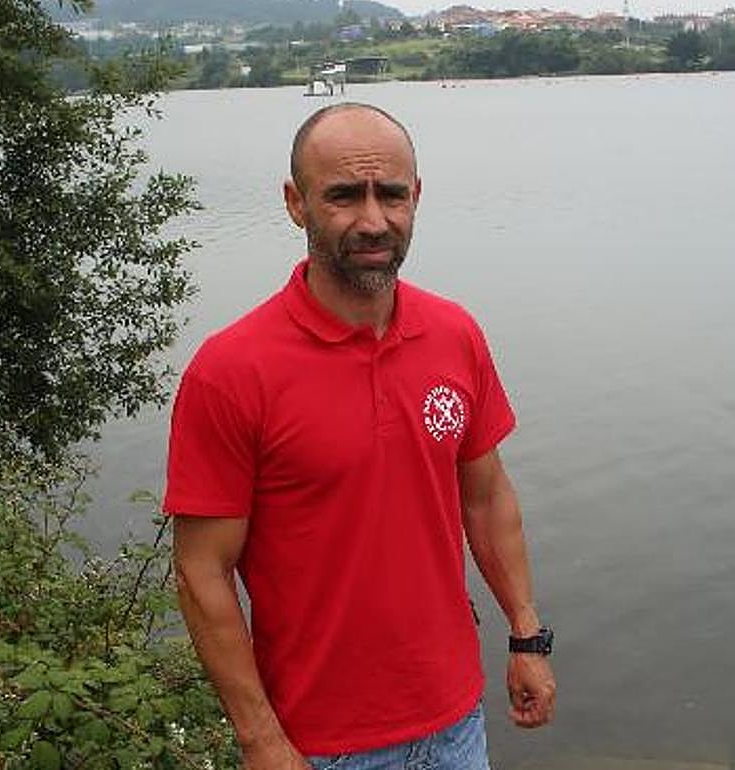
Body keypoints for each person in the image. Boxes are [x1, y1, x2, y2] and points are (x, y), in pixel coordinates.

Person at [164, 102, 556, 770]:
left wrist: (526, 634)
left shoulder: (454, 335)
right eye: (344, 196)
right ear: (296, 203)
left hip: (457, 724)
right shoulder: (232, 371)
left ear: (416, 196)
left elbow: (487, 497)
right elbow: (202, 571)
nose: (373, 221)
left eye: (391, 194)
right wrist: (261, 739)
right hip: (322, 745)